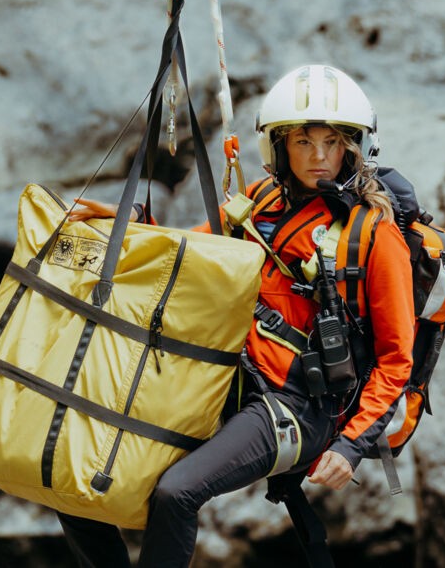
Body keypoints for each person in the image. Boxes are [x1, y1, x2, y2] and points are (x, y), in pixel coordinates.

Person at [59, 64, 415, 566]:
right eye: (304, 142)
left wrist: (352, 446)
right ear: (280, 147)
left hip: (299, 406)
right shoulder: (262, 200)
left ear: (353, 148)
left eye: (332, 143)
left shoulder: (374, 234)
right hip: (229, 378)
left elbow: (397, 360)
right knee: (78, 469)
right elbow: (189, 251)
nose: (319, 157)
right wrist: (125, 222)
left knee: (176, 492)